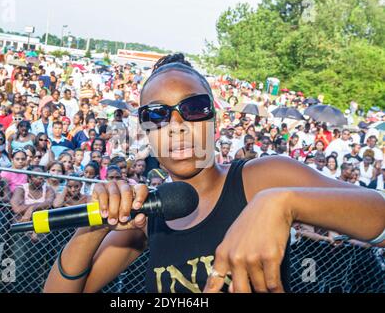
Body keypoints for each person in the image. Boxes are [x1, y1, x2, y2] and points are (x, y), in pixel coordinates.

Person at [44, 54, 385, 294]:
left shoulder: (262, 179)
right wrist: (91, 230)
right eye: (158, 115)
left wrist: (281, 204)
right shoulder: (148, 212)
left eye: (193, 109)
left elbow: (378, 219)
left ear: (214, 121)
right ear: (145, 132)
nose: (176, 127)